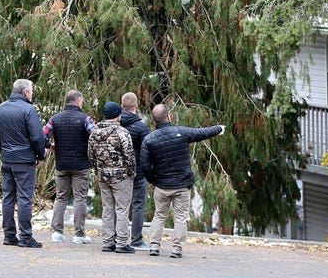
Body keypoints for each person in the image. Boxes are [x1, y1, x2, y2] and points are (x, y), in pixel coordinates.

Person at [140, 104, 225, 258]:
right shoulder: (181, 132)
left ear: (154, 120)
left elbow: (145, 165)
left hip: (162, 185)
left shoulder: (149, 140)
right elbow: (202, 133)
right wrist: (219, 128)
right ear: (169, 116)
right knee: (180, 218)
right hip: (182, 185)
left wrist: (152, 180)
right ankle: (176, 249)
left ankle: (153, 247)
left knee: (159, 216)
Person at [0, 79, 46, 248]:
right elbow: (37, 137)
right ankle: (26, 237)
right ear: (25, 93)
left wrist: (4, 150)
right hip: (24, 161)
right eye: (32, 90)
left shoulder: (0, 108)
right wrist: (41, 155)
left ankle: (9, 235)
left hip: (7, 160)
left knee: (8, 197)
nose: (33, 93)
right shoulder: (28, 109)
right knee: (24, 198)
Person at [43, 90, 96, 244]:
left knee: (61, 197)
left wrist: (51, 147)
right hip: (81, 164)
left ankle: (57, 232)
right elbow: (96, 136)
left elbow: (42, 137)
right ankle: (79, 234)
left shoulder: (55, 119)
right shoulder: (85, 119)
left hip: (62, 164)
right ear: (79, 101)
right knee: (80, 198)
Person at [88, 102, 137, 253]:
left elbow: (90, 155)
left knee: (107, 209)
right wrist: (132, 172)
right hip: (121, 175)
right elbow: (129, 155)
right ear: (118, 115)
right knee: (122, 209)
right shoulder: (122, 132)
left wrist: (99, 169)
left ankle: (108, 242)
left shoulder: (95, 131)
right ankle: (122, 243)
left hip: (103, 176)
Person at [119, 92, 151, 250]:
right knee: (138, 205)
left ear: (121, 105)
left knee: (119, 205)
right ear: (136, 106)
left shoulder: (115, 124)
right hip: (138, 171)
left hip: (118, 171)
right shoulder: (141, 127)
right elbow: (148, 150)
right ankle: (136, 239)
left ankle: (117, 237)